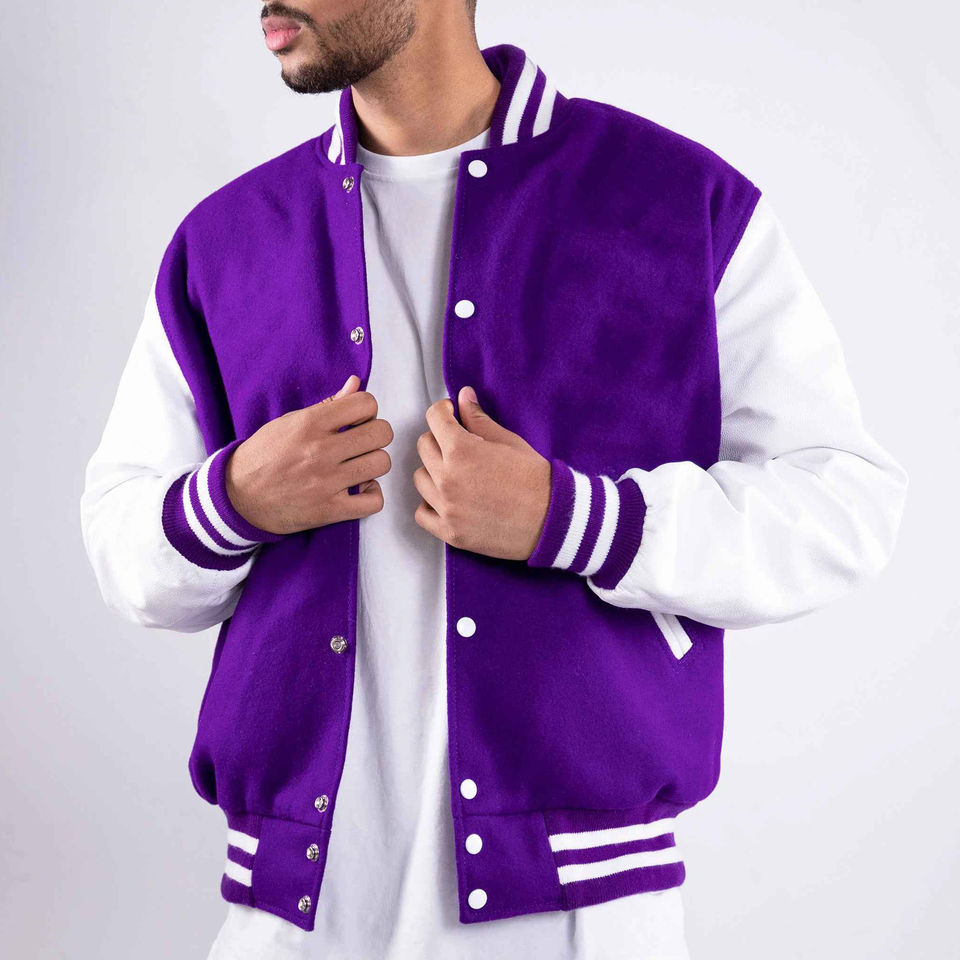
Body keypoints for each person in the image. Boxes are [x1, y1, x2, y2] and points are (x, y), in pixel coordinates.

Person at [79, 1, 909, 958]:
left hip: (576, 917)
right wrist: (231, 503)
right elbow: (122, 551)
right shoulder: (227, 240)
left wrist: (577, 520)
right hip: (286, 921)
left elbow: (845, 506)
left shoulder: (678, 203)